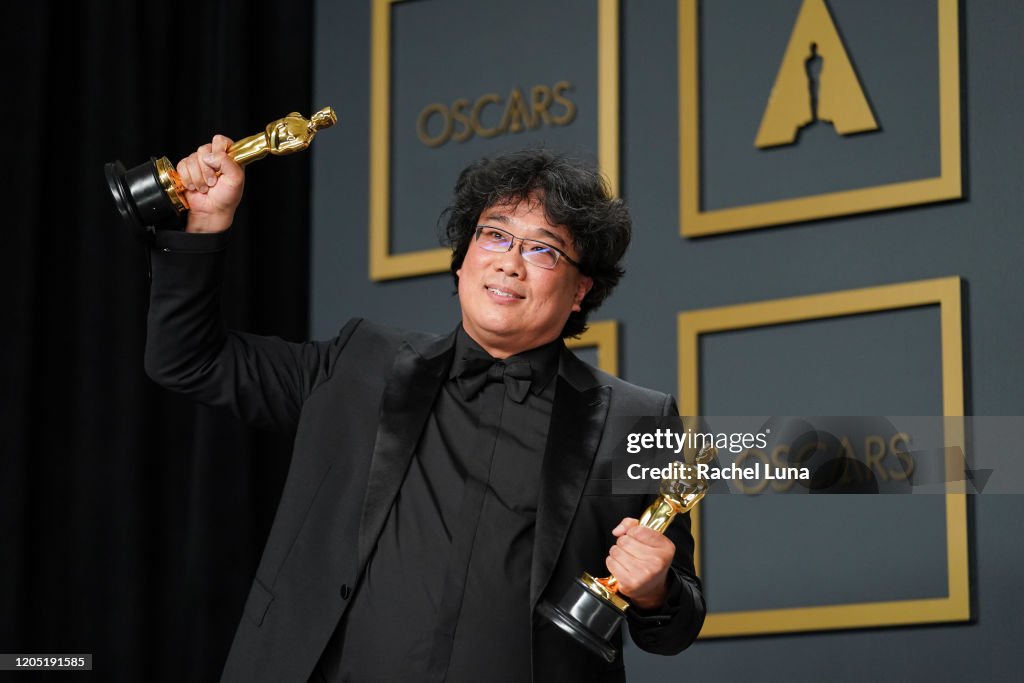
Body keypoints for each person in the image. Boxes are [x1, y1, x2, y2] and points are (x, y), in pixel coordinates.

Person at [145, 135, 706, 682]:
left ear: (581, 290)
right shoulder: (359, 363)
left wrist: (655, 589)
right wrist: (207, 224)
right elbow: (187, 359)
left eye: (543, 248)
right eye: (494, 236)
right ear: (462, 262)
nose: (510, 263)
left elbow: (674, 628)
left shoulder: (637, 419)